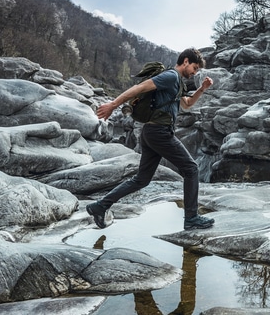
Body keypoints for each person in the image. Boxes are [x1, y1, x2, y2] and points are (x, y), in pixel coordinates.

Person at [86, 48, 215, 230]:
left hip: (151, 133)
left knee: (142, 179)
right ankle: (192, 218)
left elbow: (187, 104)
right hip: (159, 132)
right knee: (192, 169)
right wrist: (113, 104)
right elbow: (140, 87)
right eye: (194, 67)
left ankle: (100, 206)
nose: (195, 72)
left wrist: (202, 89)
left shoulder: (177, 83)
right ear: (185, 61)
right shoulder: (170, 76)